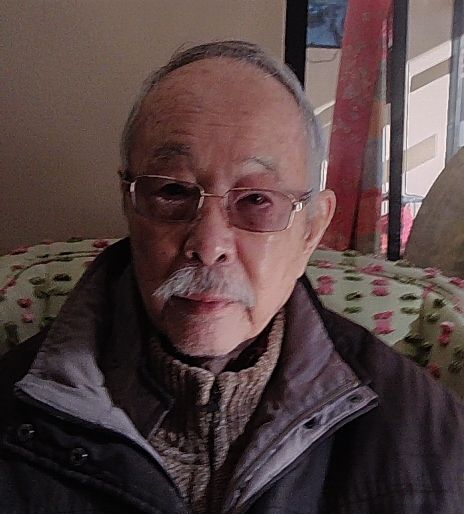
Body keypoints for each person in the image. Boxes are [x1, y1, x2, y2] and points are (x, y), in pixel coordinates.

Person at [0, 40, 463, 514]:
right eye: (173, 191)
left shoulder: (429, 437)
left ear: (311, 230)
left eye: (257, 200)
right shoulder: (15, 407)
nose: (208, 245)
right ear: (129, 203)